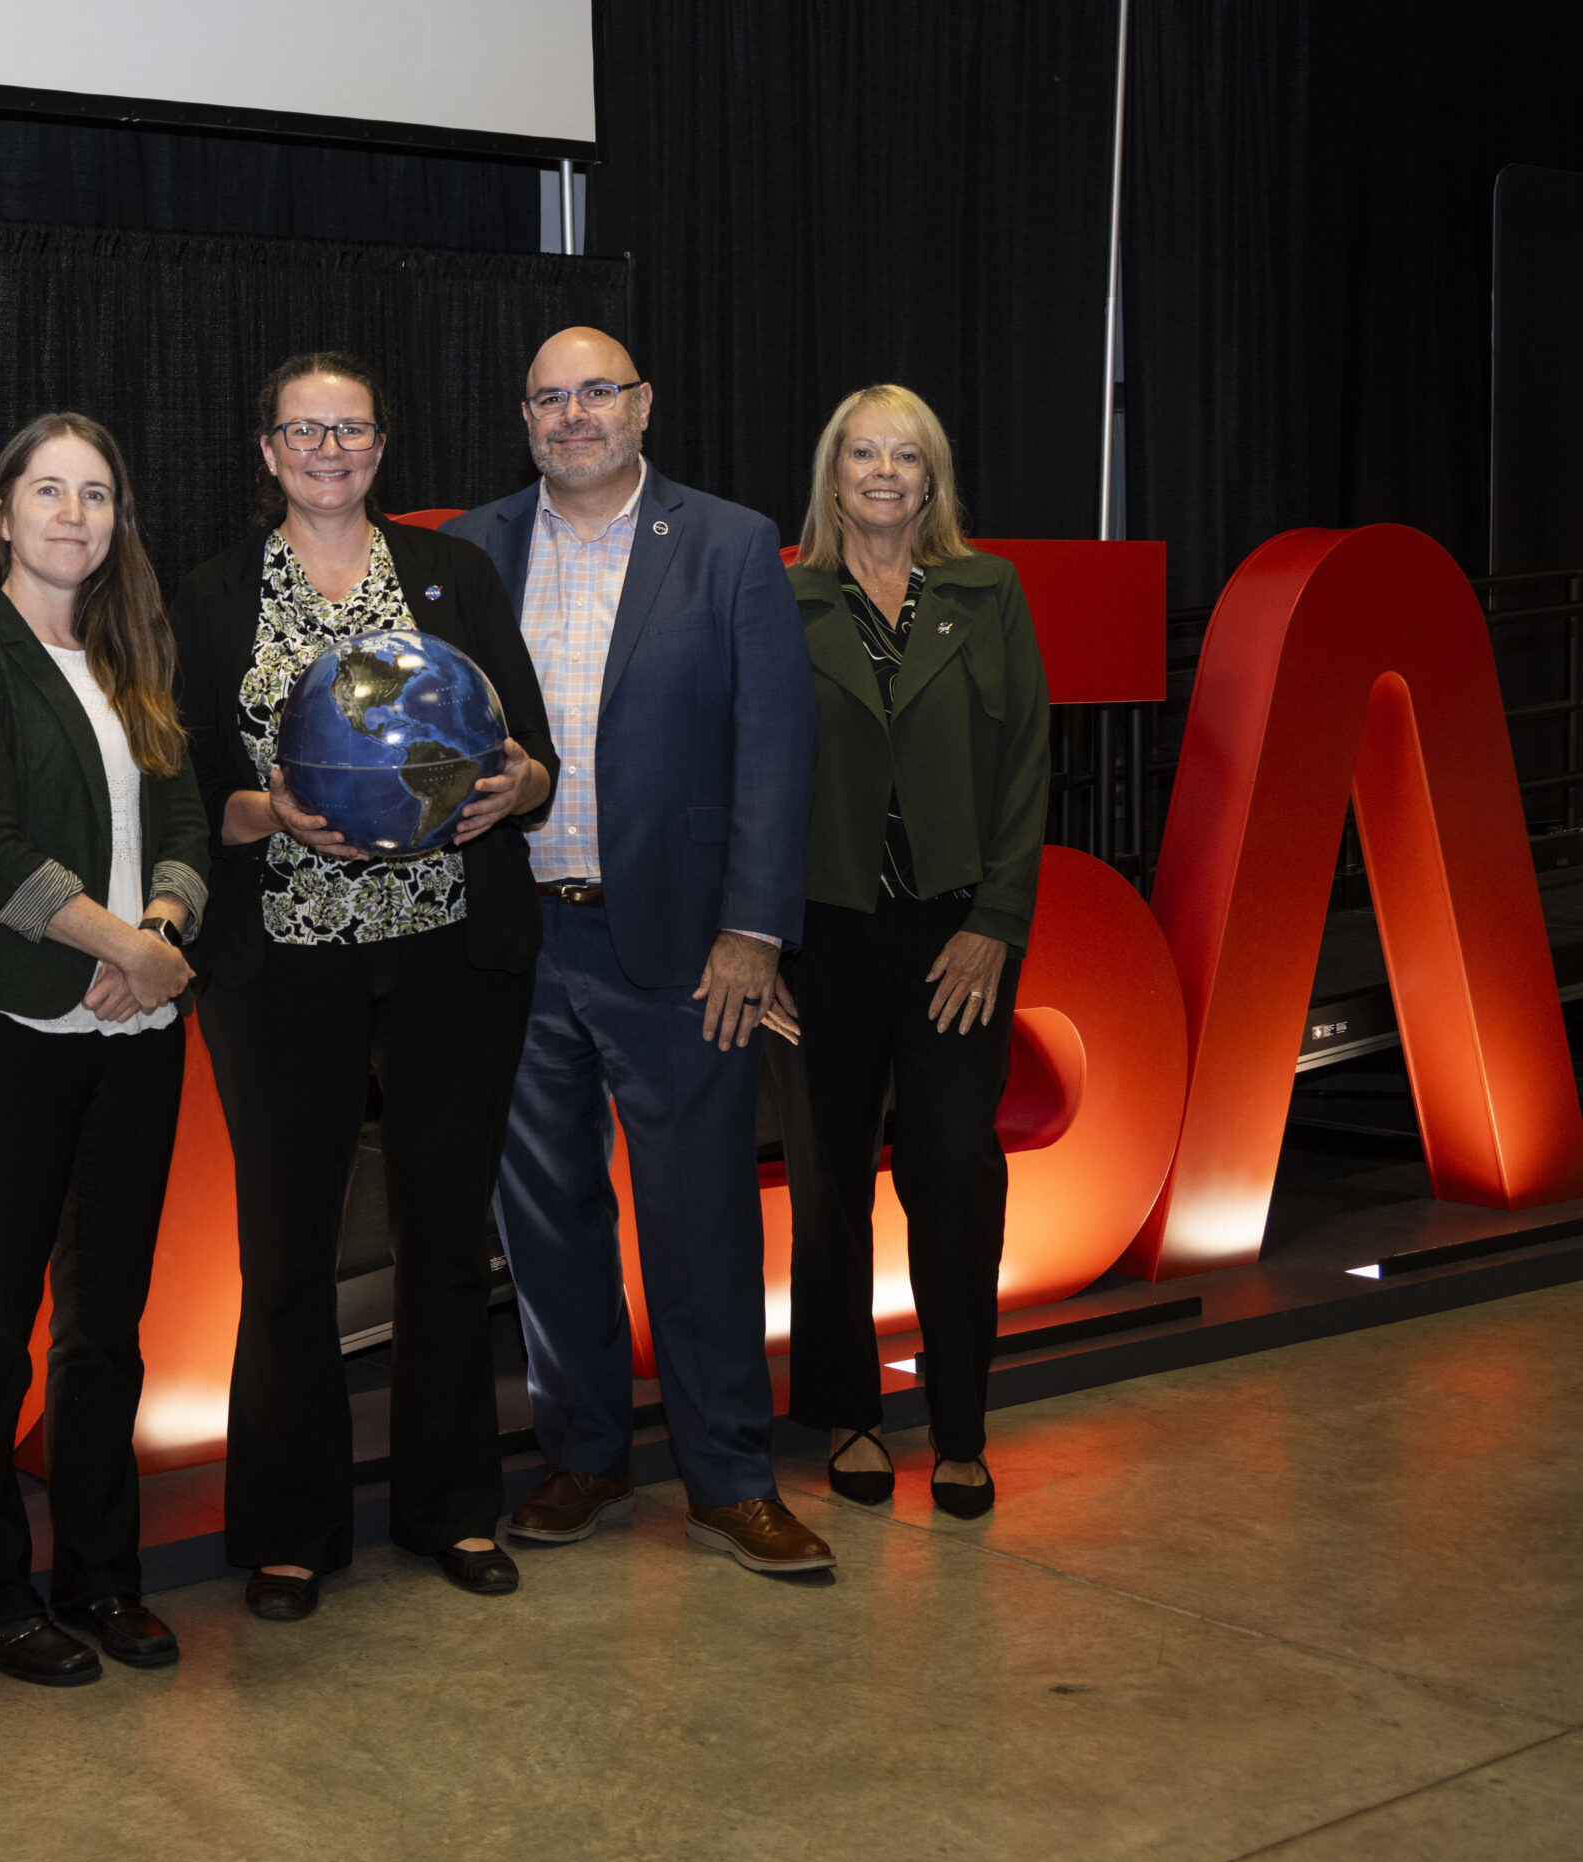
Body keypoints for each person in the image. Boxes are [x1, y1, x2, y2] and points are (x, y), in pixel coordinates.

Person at [172, 351, 558, 1619]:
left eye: (350, 429)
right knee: (286, 1251)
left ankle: (452, 1509)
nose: (327, 449)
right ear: (266, 449)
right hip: (281, 964)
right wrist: (256, 811)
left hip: (449, 952)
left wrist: (518, 789)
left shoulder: (453, 575)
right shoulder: (213, 594)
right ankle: (292, 1530)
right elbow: (185, 784)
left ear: (382, 445)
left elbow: (532, 757)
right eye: (304, 429)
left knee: (444, 1241)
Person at [443, 327, 832, 1574]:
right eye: (549, 398)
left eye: (595, 392)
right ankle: (585, 1456)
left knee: (698, 1216)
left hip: (679, 947)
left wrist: (753, 930)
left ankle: (729, 1477)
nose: (573, 415)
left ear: (643, 404)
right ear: (524, 418)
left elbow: (773, 746)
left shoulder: (726, 542)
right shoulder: (469, 548)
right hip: (514, 939)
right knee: (545, 1221)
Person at [0, 413, 209, 1684]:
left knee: (106, 1329)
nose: (73, 515)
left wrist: (160, 932)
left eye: (96, 494)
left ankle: (101, 1577)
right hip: (8, 1041)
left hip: (136, 1037)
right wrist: (130, 950)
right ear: (2, 514)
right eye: (49, 490)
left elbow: (186, 818)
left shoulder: (135, 655)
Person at [774, 384, 1049, 1519]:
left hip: (955, 937)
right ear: (832, 475)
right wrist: (754, 934)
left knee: (955, 1172)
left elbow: (1028, 763)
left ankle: (961, 1426)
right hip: (821, 934)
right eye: (863, 454)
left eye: (906, 456)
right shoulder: (782, 598)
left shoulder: (988, 592)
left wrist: (996, 922)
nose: (883, 473)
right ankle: (848, 1413)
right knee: (829, 1179)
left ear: (932, 479)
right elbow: (748, 772)